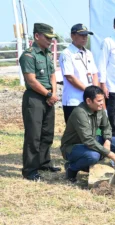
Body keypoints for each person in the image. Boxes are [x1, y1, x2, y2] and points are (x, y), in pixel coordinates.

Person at [19, 23, 61, 181]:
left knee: (47, 133)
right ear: (37, 36)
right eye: (47, 37)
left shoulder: (48, 54)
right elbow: (31, 81)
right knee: (33, 135)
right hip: (35, 98)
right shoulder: (29, 55)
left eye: (52, 38)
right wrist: (48, 94)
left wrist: (54, 94)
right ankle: (30, 170)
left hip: (49, 98)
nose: (51, 40)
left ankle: (44, 162)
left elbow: (53, 76)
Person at [60, 86, 115, 183]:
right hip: (73, 147)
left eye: (103, 100)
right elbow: (87, 140)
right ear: (89, 101)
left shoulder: (99, 109)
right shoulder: (79, 113)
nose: (102, 103)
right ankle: (71, 168)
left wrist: (107, 140)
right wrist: (110, 154)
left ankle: (89, 165)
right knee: (93, 156)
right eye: (99, 101)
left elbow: (107, 127)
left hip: (91, 141)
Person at [60, 23, 99, 123]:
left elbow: (94, 73)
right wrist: (88, 91)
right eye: (82, 35)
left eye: (86, 35)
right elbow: (70, 77)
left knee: (90, 128)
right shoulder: (67, 53)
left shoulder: (88, 53)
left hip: (89, 99)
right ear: (72, 36)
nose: (85, 38)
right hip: (74, 100)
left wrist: (95, 91)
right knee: (75, 132)